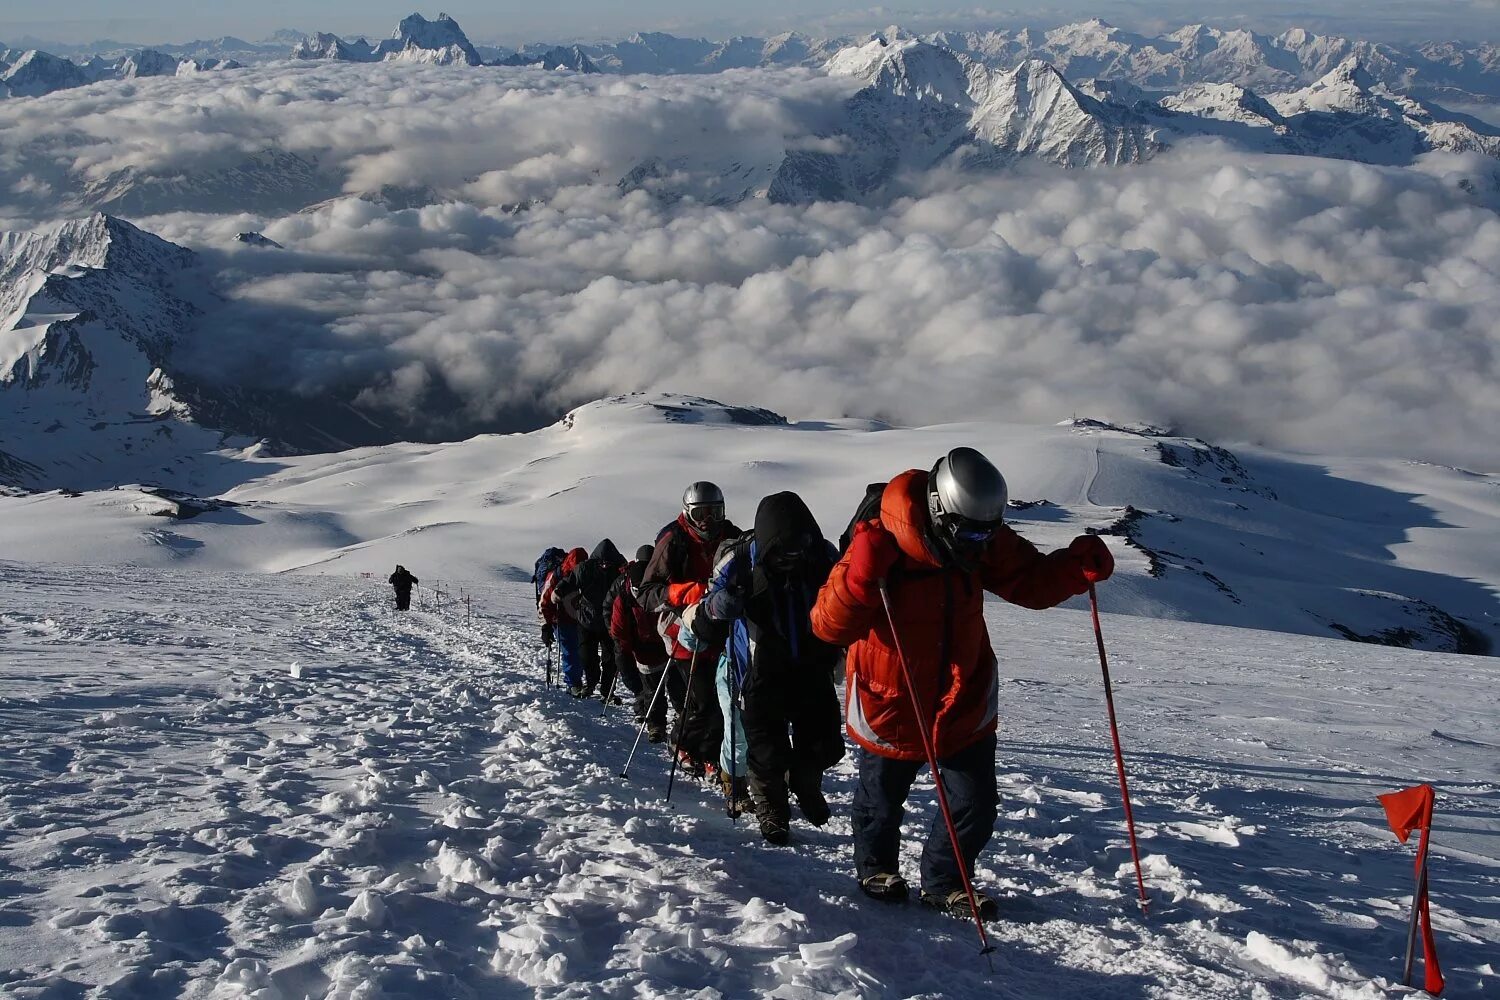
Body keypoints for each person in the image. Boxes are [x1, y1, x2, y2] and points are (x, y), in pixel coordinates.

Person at [811, 447, 1114, 918]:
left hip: (962, 695)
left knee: (975, 803)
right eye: (971, 533)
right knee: (881, 800)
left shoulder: (978, 534)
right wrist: (858, 580)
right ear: (939, 511)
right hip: (892, 696)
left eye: (988, 533)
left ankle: (945, 881)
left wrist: (1073, 570)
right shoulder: (878, 543)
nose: (981, 544)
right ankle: (876, 868)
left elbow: (1028, 580)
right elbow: (828, 626)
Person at [690, 491, 845, 840]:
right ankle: (772, 810)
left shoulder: (822, 554)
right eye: (782, 555)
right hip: (759, 669)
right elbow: (706, 608)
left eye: (796, 554)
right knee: (765, 749)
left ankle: (805, 786)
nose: (790, 560)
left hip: (812, 663)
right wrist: (721, 605)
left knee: (822, 742)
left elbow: (848, 590)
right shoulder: (740, 559)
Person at [640, 482, 740, 778]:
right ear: (688, 513)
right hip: (683, 629)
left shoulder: (731, 535)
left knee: (722, 699)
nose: (708, 520)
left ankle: (709, 751)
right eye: (701, 513)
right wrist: (686, 593)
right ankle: (681, 742)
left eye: (714, 512)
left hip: (722, 630)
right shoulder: (674, 540)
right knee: (701, 700)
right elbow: (647, 593)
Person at [554, 539, 627, 699]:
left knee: (611, 659)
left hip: (609, 622)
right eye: (602, 563)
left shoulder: (620, 570)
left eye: (608, 563)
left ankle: (607, 690)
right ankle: (591, 682)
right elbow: (570, 580)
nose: (605, 566)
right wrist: (559, 591)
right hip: (587, 620)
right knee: (586, 656)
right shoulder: (585, 568)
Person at [609, 547, 670, 738]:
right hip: (665, 644)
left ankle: (657, 726)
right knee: (672, 688)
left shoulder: (626, 588)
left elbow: (618, 627)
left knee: (653, 690)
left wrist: (625, 649)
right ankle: (664, 724)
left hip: (650, 647)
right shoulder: (662, 579)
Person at [603, 545, 657, 712]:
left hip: (641, 633)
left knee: (643, 672)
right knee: (629, 669)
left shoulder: (656, 577)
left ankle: (644, 704)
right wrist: (613, 631)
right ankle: (642, 699)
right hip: (629, 632)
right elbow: (608, 607)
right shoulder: (623, 580)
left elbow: (606, 607)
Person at [541, 547, 588, 694]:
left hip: (579, 618)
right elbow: (544, 603)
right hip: (561, 620)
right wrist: (546, 626)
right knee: (570, 651)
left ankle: (576, 682)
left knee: (579, 650)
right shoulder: (556, 576)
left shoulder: (583, 573)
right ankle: (573, 683)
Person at [532, 547, 566, 651]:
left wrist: (546, 627)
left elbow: (543, 601)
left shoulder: (546, 569)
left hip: (552, 614)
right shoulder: (557, 572)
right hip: (560, 614)